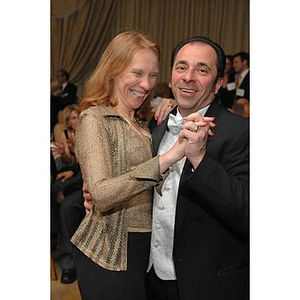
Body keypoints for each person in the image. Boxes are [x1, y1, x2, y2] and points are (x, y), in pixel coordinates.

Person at [83, 36, 249, 299]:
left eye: (202, 70)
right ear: (171, 78)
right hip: (149, 278)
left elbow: (248, 213)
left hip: (208, 285)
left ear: (218, 83)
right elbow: (134, 179)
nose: (189, 77)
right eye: (181, 67)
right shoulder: (155, 125)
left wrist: (200, 160)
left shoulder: (241, 132)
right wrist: (97, 188)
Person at [70, 31, 192, 300]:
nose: (146, 84)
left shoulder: (142, 122)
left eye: (152, 75)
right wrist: (167, 158)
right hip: (107, 252)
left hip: (144, 252)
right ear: (112, 71)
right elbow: (101, 194)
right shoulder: (95, 118)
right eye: (137, 73)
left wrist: (172, 105)